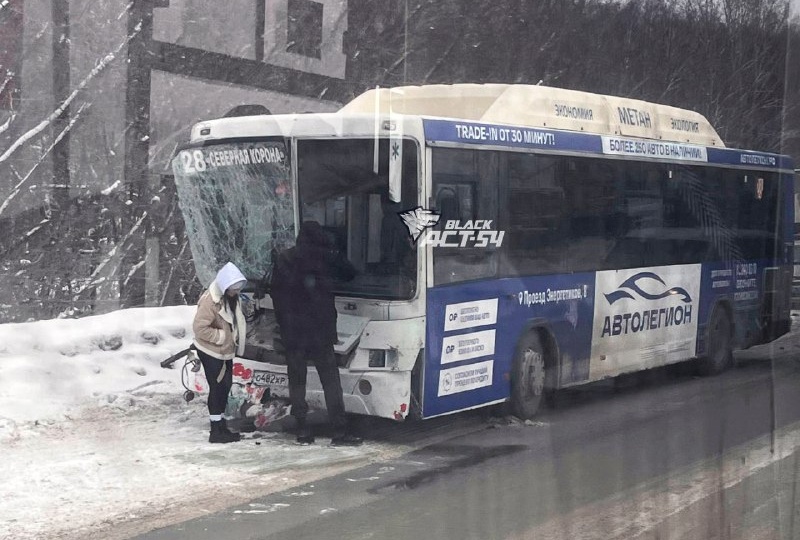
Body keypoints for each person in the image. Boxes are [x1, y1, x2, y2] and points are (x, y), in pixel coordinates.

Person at [270, 221, 362, 446]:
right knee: (331, 382)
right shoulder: (326, 257)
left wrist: (285, 323)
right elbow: (351, 274)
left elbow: (276, 294)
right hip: (320, 331)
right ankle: (339, 432)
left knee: (297, 383)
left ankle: (302, 430)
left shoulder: (285, 258)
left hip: (293, 332)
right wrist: (334, 250)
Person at [193, 262, 248, 444]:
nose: (236, 293)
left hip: (225, 351)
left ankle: (221, 424)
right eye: (233, 290)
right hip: (211, 351)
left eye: (238, 289)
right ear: (225, 288)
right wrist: (223, 337)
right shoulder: (210, 301)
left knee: (225, 386)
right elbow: (200, 328)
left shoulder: (231, 299)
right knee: (217, 388)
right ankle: (215, 430)